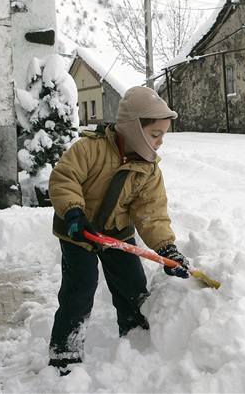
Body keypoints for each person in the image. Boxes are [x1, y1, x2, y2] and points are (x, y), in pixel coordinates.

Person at [47, 86, 189, 376]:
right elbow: (65, 178)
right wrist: (73, 212)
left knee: (132, 286)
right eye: (155, 134)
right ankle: (65, 352)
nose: (160, 141)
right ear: (134, 128)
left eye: (163, 134)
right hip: (79, 231)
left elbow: (151, 212)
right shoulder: (91, 148)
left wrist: (166, 248)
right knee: (80, 287)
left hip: (116, 232)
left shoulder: (148, 169)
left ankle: (136, 339)